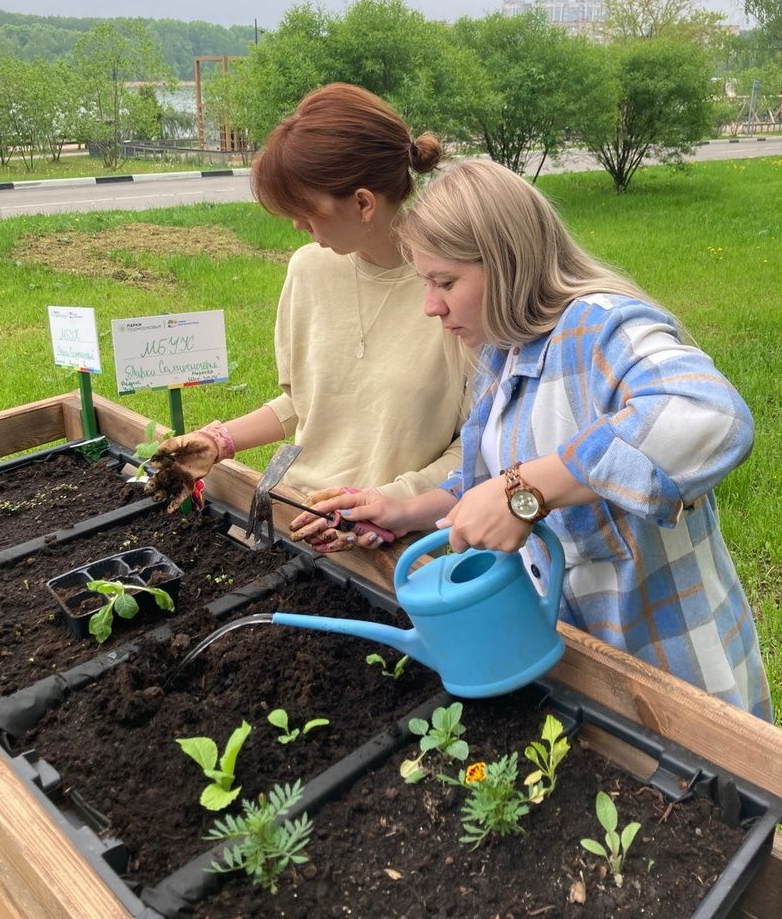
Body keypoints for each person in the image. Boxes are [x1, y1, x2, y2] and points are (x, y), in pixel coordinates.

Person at [302, 159, 772, 719]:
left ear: (508, 264)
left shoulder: (599, 328)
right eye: (425, 283)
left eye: (445, 282)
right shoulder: (504, 350)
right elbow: (492, 479)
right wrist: (405, 511)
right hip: (581, 668)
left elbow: (710, 416)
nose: (431, 305)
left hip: (673, 678)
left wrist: (526, 490)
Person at [146, 83, 469, 552]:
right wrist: (218, 441)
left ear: (363, 203)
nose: (297, 223)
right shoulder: (309, 269)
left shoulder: (457, 291)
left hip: (402, 547)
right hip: (296, 517)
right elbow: (309, 404)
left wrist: (383, 502)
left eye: (306, 208)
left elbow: (477, 448)